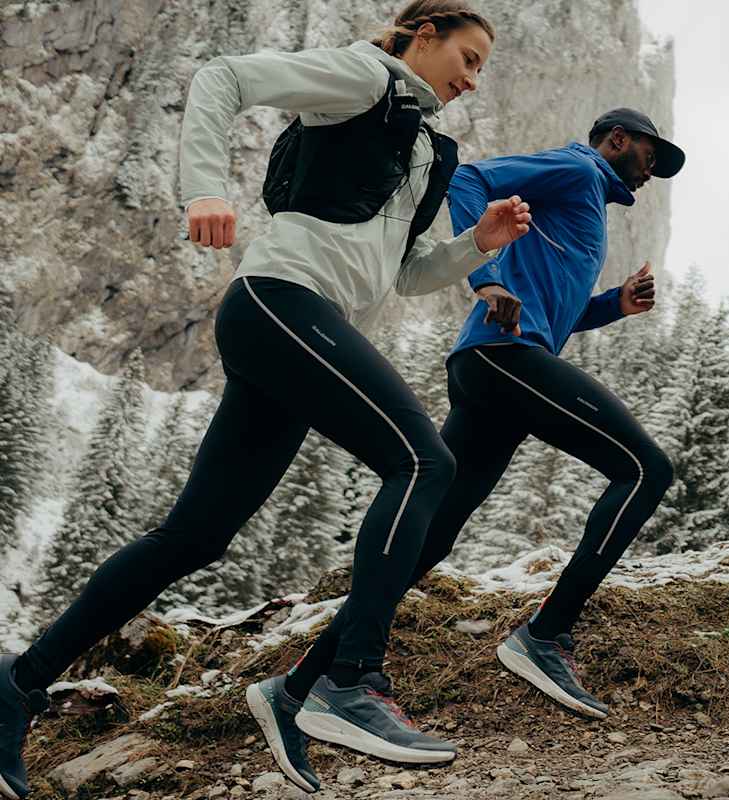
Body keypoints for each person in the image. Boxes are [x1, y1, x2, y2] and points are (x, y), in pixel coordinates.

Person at [0, 2, 531, 797]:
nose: (474, 79)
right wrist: (204, 191)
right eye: (469, 57)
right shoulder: (364, 77)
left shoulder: (426, 147)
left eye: (483, 68)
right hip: (281, 302)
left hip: (300, 330)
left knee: (194, 536)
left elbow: (406, 274)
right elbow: (223, 77)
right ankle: (346, 681)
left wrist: (475, 246)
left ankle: (18, 682)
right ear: (425, 36)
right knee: (425, 461)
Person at [273, 108, 686, 726]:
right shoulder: (578, 169)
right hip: (503, 358)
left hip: (497, 368)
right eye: (651, 157)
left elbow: (553, 310)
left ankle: (298, 686)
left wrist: (614, 305)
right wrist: (485, 279)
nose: (652, 172)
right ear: (618, 140)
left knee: (430, 538)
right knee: (646, 469)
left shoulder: (585, 205)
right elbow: (468, 179)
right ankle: (546, 636)